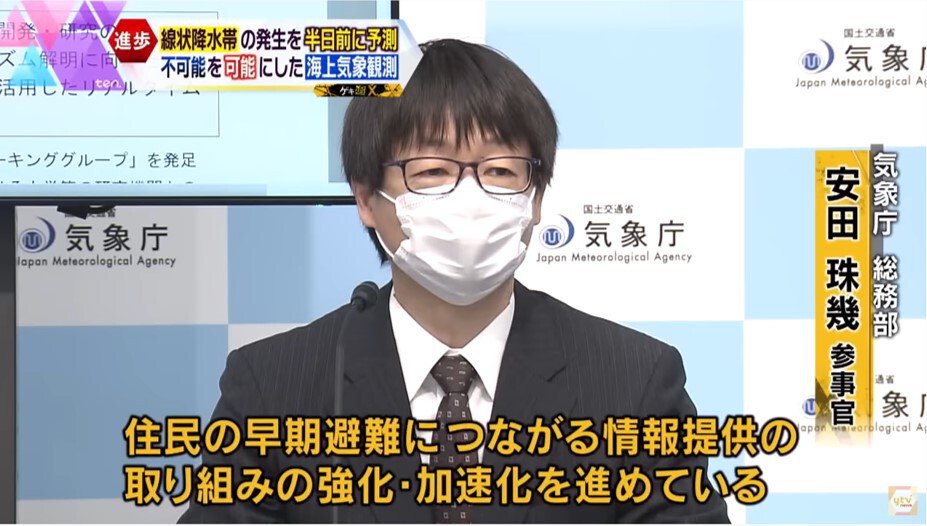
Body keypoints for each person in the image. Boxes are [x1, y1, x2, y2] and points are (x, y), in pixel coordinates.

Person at [179, 39, 730, 524]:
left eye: (500, 171)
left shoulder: (634, 383)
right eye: (432, 171)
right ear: (366, 198)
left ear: (536, 199)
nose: (470, 197)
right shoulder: (274, 388)